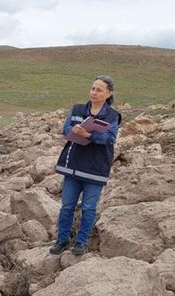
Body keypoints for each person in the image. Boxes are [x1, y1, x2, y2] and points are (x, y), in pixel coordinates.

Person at [49, 75, 121, 256]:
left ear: (108, 93)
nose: (94, 92)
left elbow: (110, 138)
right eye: (93, 88)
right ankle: (62, 240)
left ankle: (81, 242)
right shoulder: (78, 109)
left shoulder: (113, 116)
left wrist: (88, 135)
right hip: (73, 165)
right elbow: (65, 130)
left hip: (96, 169)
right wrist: (73, 131)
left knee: (89, 208)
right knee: (67, 206)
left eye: (99, 90)